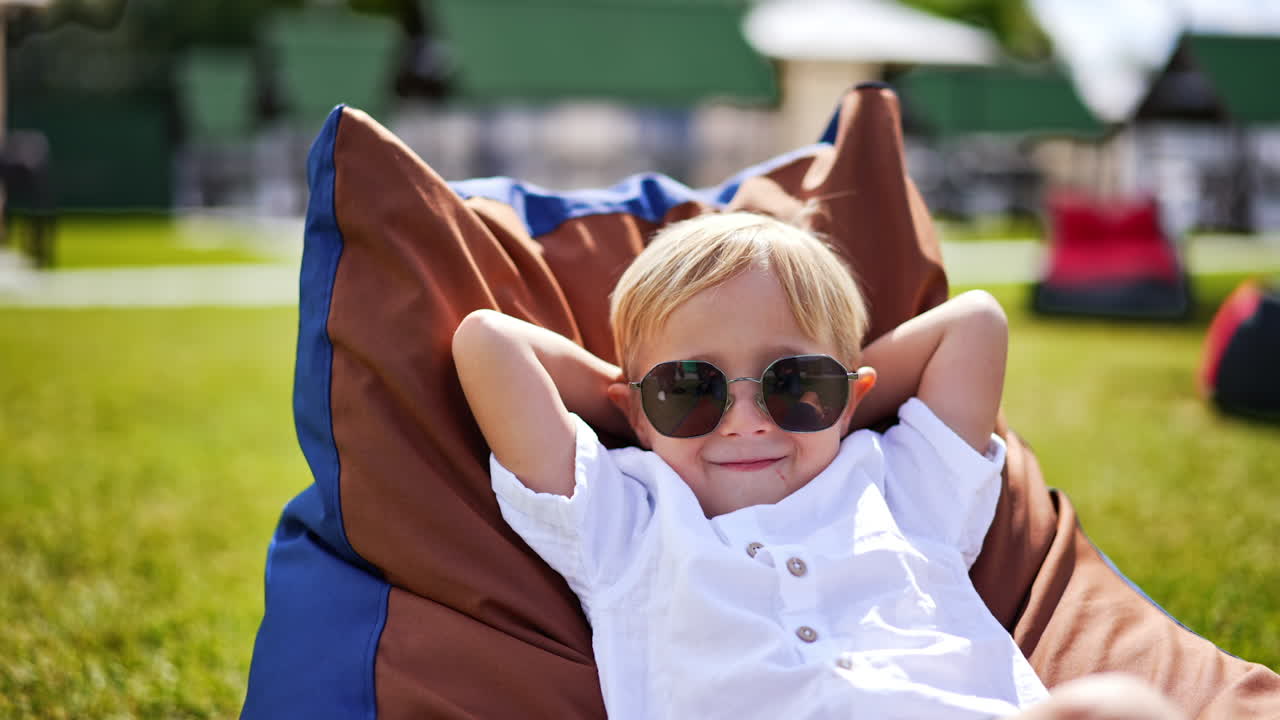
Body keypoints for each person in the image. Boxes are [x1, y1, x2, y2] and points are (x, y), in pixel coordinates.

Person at [451, 212, 1183, 720]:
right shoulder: (628, 524)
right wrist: (641, 411)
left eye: (793, 383)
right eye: (691, 389)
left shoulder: (898, 486)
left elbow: (977, 322)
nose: (746, 422)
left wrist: (831, 400)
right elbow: (487, 343)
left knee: (1122, 708)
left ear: (854, 395)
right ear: (633, 410)